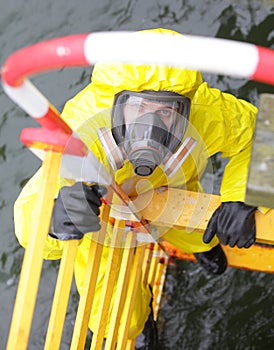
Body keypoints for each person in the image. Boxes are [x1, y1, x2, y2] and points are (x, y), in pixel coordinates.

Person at [13, 28, 258, 346]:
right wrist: (55, 218)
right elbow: (34, 204)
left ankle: (201, 248)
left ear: (186, 108)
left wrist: (241, 197)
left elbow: (261, 133)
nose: (151, 128)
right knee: (112, 299)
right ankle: (139, 332)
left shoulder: (205, 114)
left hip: (174, 188)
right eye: (139, 109)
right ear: (114, 105)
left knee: (198, 224)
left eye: (167, 112)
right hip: (105, 215)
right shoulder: (83, 127)